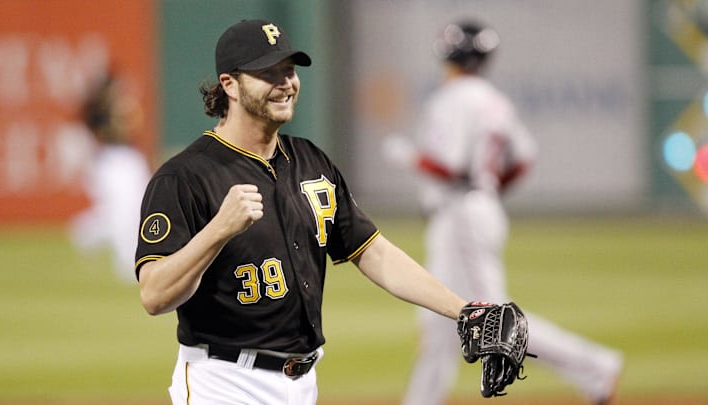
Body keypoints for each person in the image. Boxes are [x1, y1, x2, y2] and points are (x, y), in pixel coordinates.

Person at [134, 19, 500, 404]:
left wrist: (464, 310)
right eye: (267, 73)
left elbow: (373, 253)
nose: (285, 83)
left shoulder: (311, 161)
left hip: (303, 384)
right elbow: (154, 295)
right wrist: (217, 231)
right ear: (230, 85)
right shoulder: (184, 177)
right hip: (224, 382)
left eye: (289, 71)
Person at [382, 21, 624, 405]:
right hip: (476, 208)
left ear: (447, 55)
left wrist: (410, 157)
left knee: (495, 320)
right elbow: (523, 158)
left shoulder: (451, 99)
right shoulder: (493, 99)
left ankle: (594, 366)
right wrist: (489, 190)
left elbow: (452, 165)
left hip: (460, 215)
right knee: (439, 318)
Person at [70, 71, 152, 283]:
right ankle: (125, 260)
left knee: (134, 207)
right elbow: (101, 135)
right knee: (122, 211)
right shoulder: (98, 111)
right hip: (110, 160)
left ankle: (86, 233)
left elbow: (132, 128)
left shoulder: (122, 106)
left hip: (127, 157)